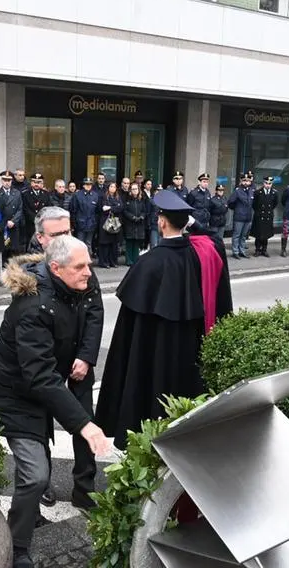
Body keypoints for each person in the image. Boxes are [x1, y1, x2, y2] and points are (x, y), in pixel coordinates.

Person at [0, 235, 110, 568]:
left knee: (40, 467)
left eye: (89, 264)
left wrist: (84, 356)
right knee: (36, 474)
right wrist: (83, 424)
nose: (88, 272)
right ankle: (17, 546)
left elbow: (90, 317)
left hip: (42, 388)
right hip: (13, 394)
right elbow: (39, 376)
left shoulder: (73, 285)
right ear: (55, 268)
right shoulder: (33, 305)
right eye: (80, 267)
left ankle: (31, 517)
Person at [95, 190, 233, 450]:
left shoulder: (148, 263)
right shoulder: (203, 254)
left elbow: (129, 331)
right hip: (189, 351)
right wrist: (191, 221)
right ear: (186, 223)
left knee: (148, 388)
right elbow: (214, 238)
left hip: (151, 355)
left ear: (160, 221)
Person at [24, 206, 104, 508]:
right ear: (40, 237)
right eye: (57, 234)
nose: (65, 238)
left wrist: (86, 357)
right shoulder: (30, 277)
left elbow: (95, 312)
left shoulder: (78, 259)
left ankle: (84, 488)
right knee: (39, 423)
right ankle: (40, 484)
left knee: (85, 419)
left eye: (68, 231)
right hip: (47, 362)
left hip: (79, 359)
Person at [0, 170, 25, 257]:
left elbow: (20, 209)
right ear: (1, 181)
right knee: (3, 250)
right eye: (4, 180)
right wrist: (5, 222)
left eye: (9, 180)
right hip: (2, 226)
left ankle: (12, 269)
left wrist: (13, 221)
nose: (7, 182)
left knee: (14, 250)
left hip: (13, 225)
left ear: (12, 181)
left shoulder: (17, 193)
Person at [69, 177, 99, 255]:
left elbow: (97, 211)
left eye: (90, 184)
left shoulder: (95, 195)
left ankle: (88, 263)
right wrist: (74, 223)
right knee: (80, 244)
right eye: (86, 184)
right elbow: (73, 210)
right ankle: (79, 263)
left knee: (88, 244)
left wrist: (95, 222)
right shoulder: (77, 195)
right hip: (80, 224)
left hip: (91, 224)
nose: (88, 186)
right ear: (83, 185)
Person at [121, 182, 148, 266]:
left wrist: (142, 217)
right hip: (130, 223)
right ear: (130, 190)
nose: (134, 191)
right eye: (133, 189)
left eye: (136, 189)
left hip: (139, 224)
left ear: (138, 190)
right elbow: (125, 211)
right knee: (129, 242)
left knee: (136, 243)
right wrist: (132, 217)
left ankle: (135, 259)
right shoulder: (127, 199)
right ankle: (128, 260)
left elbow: (144, 211)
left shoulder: (142, 199)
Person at [228, 173, 254, 259]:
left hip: (248, 217)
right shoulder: (237, 191)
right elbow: (230, 202)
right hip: (239, 217)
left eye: (248, 181)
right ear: (241, 181)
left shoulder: (251, 191)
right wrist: (237, 209)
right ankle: (235, 251)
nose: (246, 182)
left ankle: (242, 251)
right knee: (237, 235)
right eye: (244, 181)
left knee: (243, 236)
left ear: (250, 182)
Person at [97, 183, 123, 268]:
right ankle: (104, 262)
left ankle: (113, 262)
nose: (113, 188)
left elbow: (121, 207)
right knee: (105, 243)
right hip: (105, 222)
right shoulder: (103, 197)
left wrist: (110, 208)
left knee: (114, 243)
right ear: (108, 188)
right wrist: (114, 207)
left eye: (114, 186)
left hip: (115, 222)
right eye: (111, 186)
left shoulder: (118, 197)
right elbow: (103, 209)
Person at [251, 176, 278, 257]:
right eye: (266, 183)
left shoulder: (274, 193)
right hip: (260, 216)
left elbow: (274, 204)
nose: (268, 185)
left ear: (272, 184)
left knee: (266, 234)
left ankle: (264, 250)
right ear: (263, 183)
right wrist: (259, 212)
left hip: (268, 216)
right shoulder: (258, 192)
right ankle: (257, 250)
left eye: (270, 183)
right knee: (258, 234)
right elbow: (254, 205)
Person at [22, 173, 50, 244]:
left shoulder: (46, 194)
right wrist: (35, 219)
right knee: (30, 244)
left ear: (42, 183)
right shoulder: (25, 194)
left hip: (42, 223)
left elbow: (47, 208)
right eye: (34, 182)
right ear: (31, 182)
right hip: (30, 224)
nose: (36, 184)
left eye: (39, 182)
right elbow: (25, 209)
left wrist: (41, 219)